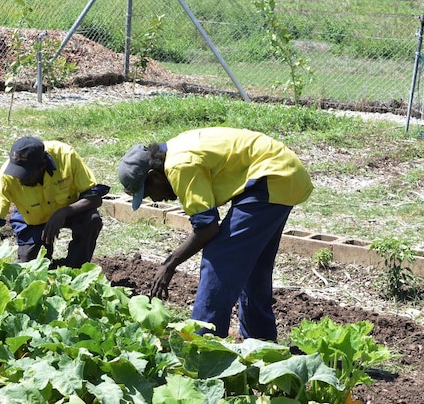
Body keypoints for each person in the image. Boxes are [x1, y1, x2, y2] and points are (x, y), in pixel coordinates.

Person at [118, 127, 313, 341]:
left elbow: (207, 228)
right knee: (253, 267)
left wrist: (169, 264)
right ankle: (261, 344)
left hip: (270, 176)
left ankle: (202, 345)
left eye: (148, 193)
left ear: (154, 176)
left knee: (218, 258)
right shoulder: (176, 150)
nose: (155, 199)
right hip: (282, 173)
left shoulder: (179, 166)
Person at [0, 136, 110, 268]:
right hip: (32, 217)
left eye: (25, 174)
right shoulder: (7, 176)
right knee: (30, 269)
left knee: (91, 220)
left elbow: (94, 198)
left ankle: (75, 268)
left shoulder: (66, 156)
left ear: (42, 166)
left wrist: (63, 212)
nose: (19, 179)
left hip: (69, 209)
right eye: (17, 173)